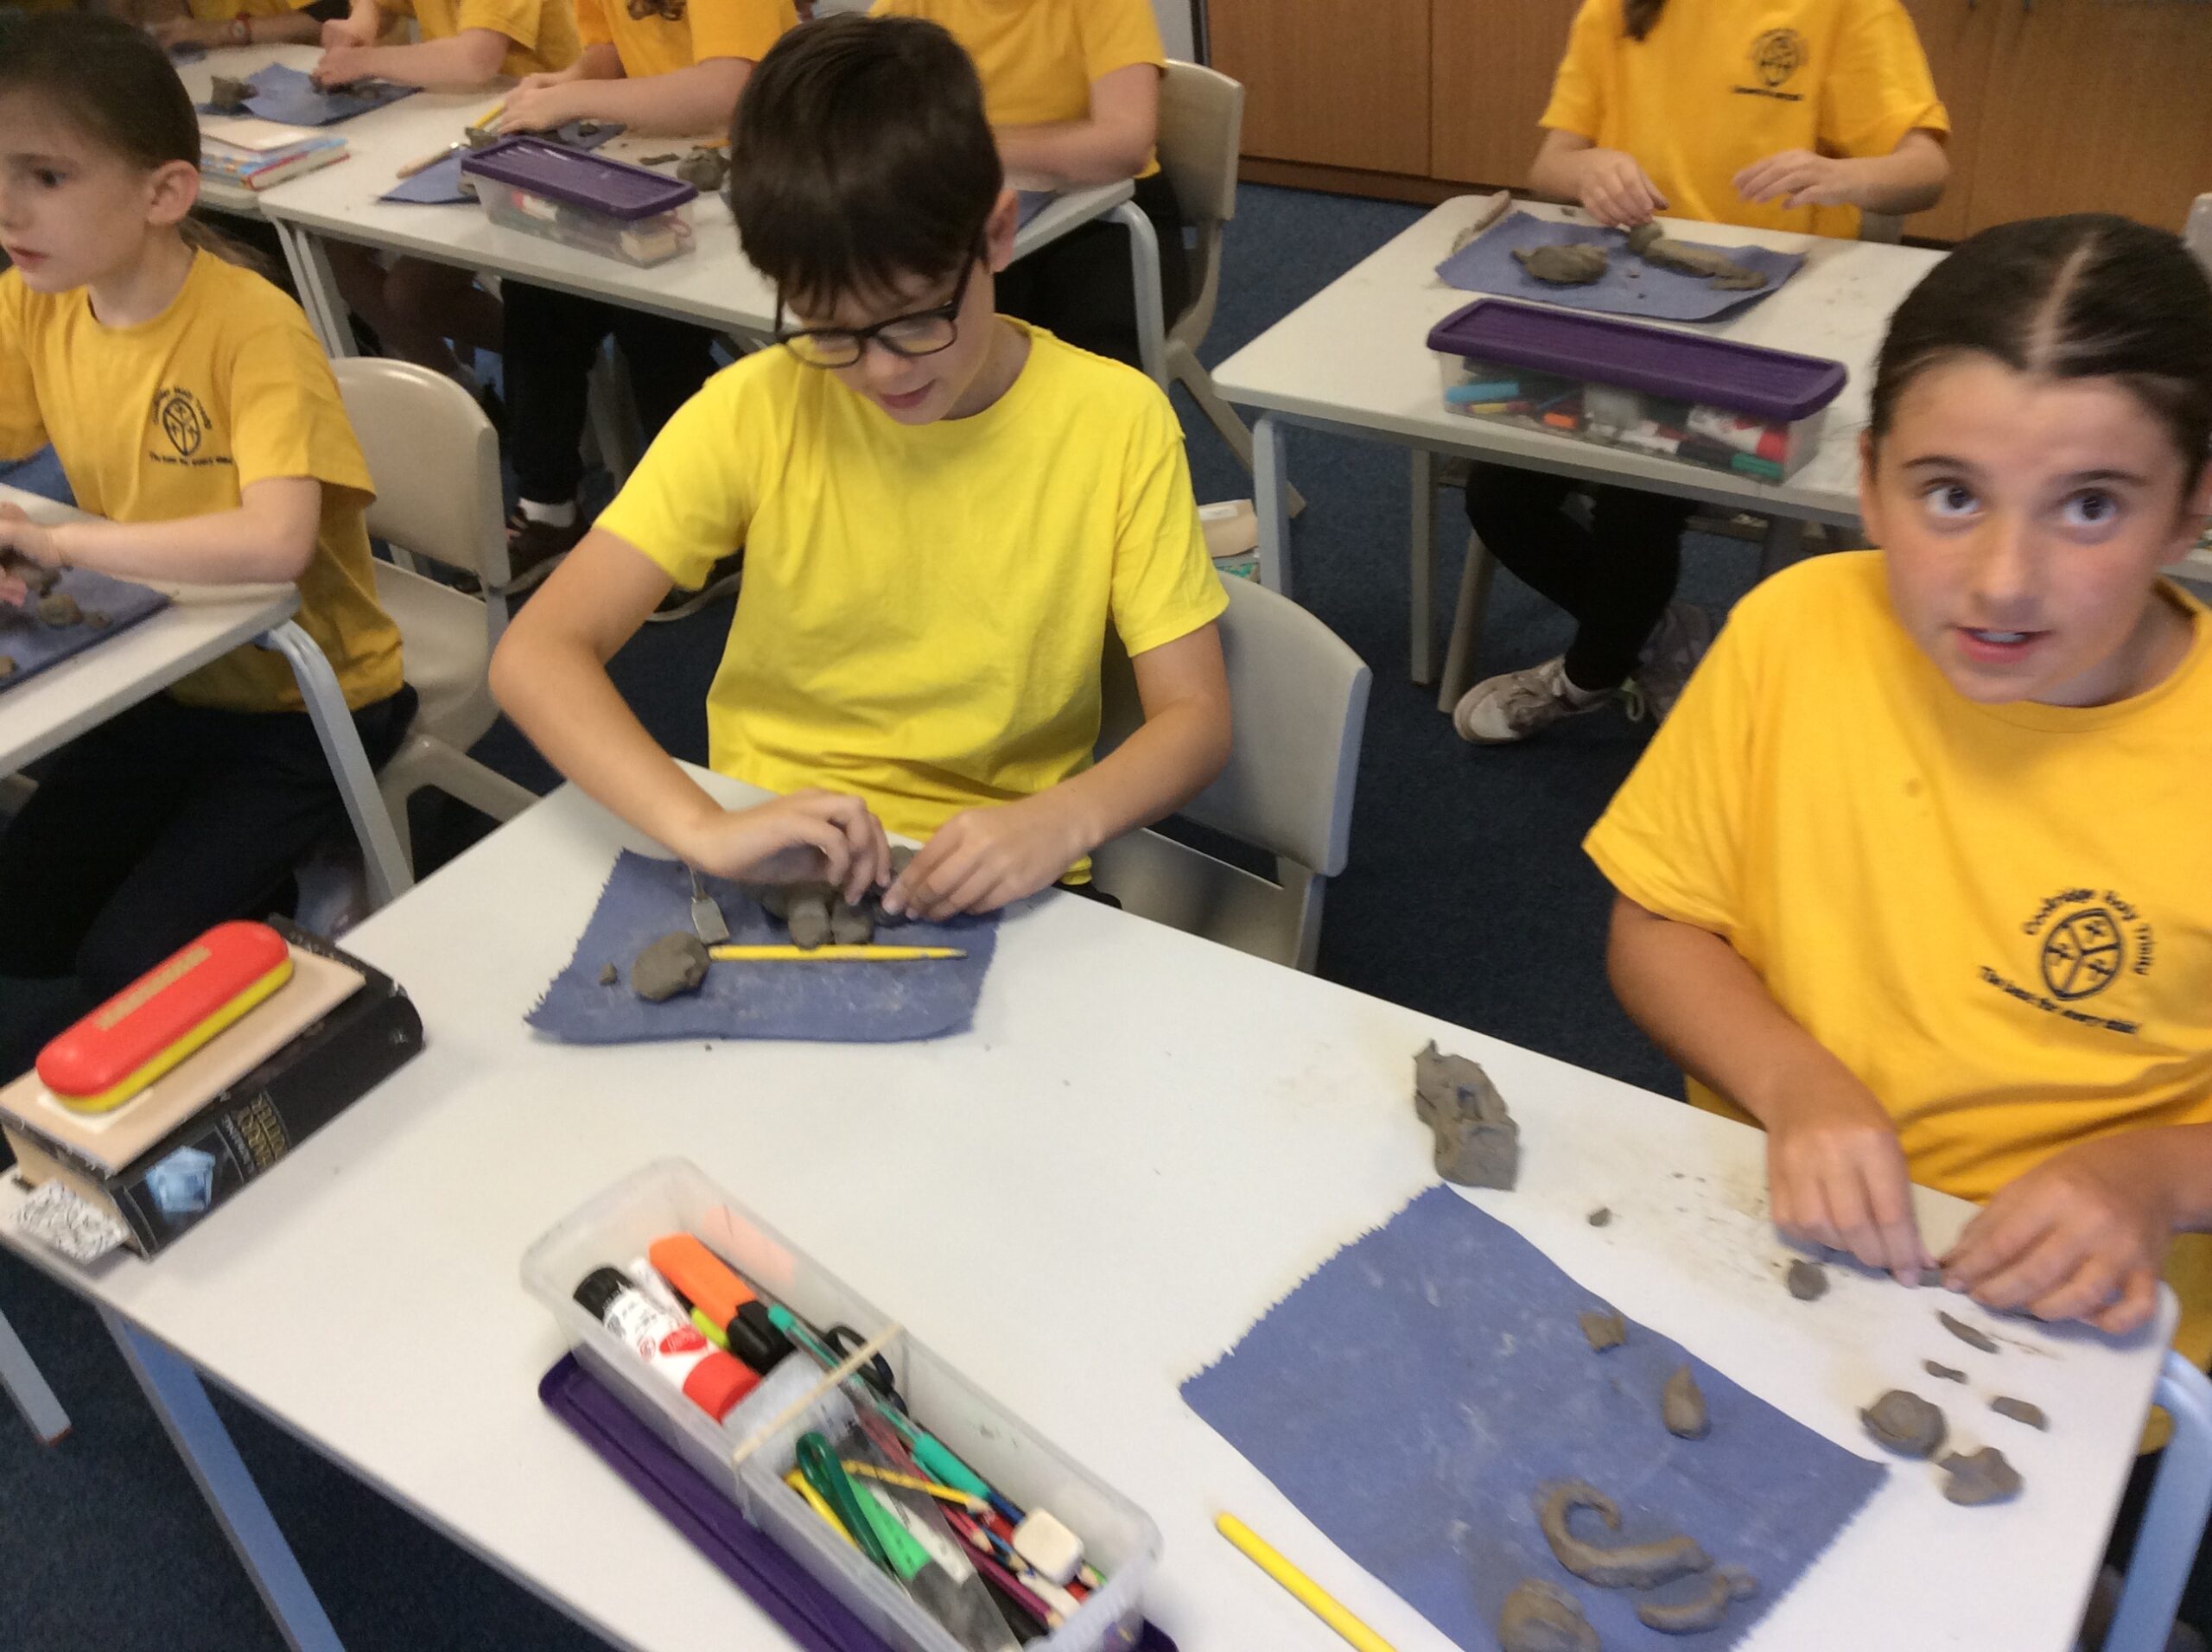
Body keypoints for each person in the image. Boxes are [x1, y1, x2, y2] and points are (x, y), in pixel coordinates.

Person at [1588, 215, 2212, 1623]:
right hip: (1772, 1254)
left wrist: (2155, 1178)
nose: (2003, 579)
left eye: (2091, 506)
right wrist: (1796, 1083)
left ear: (2192, 509)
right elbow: (1658, 928)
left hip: (2073, 1347)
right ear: (1868, 481)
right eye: (1951, 495)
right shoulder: (1793, 634)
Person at [489, 14, 1230, 920]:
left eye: (916, 319)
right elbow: (537, 653)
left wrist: (1064, 818)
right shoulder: (755, 409)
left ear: (997, 234)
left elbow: (1195, 718)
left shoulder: (1115, 422)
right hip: (777, 838)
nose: (881, 371)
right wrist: (702, 826)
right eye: (830, 331)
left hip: (998, 861)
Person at [0, 14, 413, 1053]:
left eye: (45, 177)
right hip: (166, 670)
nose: (8, 209)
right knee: (18, 917)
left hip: (306, 695)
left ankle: (311, 875)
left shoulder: (251, 325)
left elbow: (276, 545)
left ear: (165, 193)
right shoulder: (37, 300)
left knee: (124, 967)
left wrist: (61, 545)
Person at [1453, 0, 1950, 745]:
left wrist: (1844, 175)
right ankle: (1660, 636)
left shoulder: (1849, 9)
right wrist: (1588, 167)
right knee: (1499, 495)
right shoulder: (1617, 9)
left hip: (1766, 322)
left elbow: (1926, 171)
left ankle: (1588, 674)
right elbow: (1551, 162)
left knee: (1640, 494)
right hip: (1625, 305)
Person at [493, 0, 797, 602]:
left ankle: (709, 529)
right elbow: (613, 50)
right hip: (654, 161)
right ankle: (549, 508)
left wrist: (576, 99)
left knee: (654, 321)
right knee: (538, 291)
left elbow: (727, 88)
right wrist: (567, 82)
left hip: (763, 165)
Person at [865, 0, 1186, 374]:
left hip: (1109, 217)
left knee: (1087, 366)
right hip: (970, 211)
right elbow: (858, 121)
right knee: (913, 336)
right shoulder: (910, 6)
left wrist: (961, 146)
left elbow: (1126, 145)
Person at [309, 0, 580, 384]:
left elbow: (475, 60)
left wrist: (363, 60)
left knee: (413, 293)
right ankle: (456, 385)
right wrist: (363, 20)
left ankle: (555, 359)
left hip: (537, 133)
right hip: (452, 115)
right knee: (336, 249)